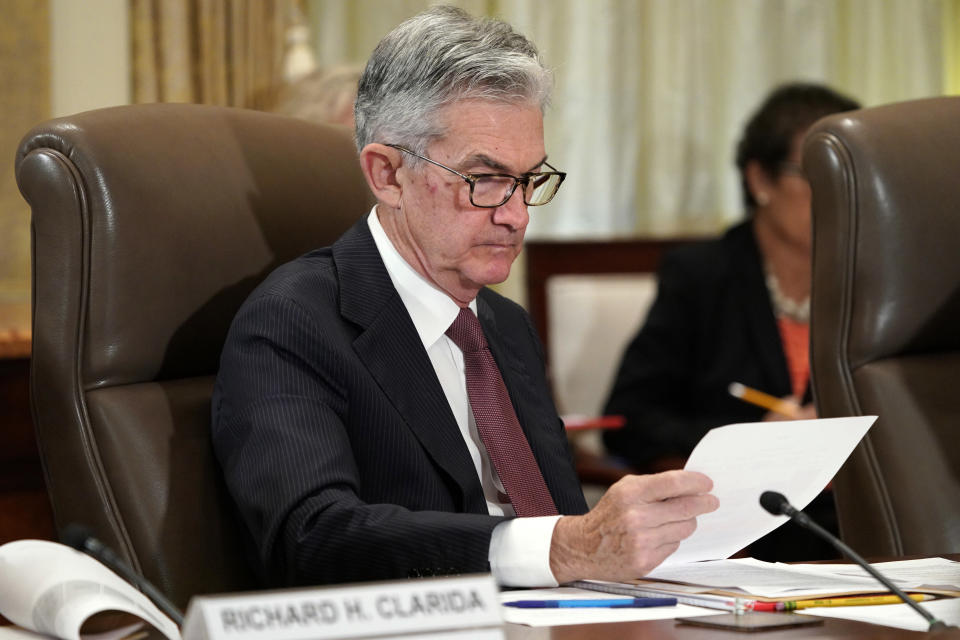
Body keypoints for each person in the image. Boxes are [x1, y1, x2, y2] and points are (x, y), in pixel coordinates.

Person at [211, 6, 717, 588]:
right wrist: (562, 550)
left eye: (529, 180)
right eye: (485, 181)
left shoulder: (504, 324)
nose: (517, 215)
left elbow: (562, 519)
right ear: (387, 175)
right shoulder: (294, 321)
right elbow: (314, 536)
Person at [602, 82, 859, 561]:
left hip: (863, 525)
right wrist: (751, 441)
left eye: (850, 176)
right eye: (815, 175)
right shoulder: (701, 278)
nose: (838, 196)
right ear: (759, 180)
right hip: (741, 535)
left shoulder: (878, 281)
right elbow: (630, 421)